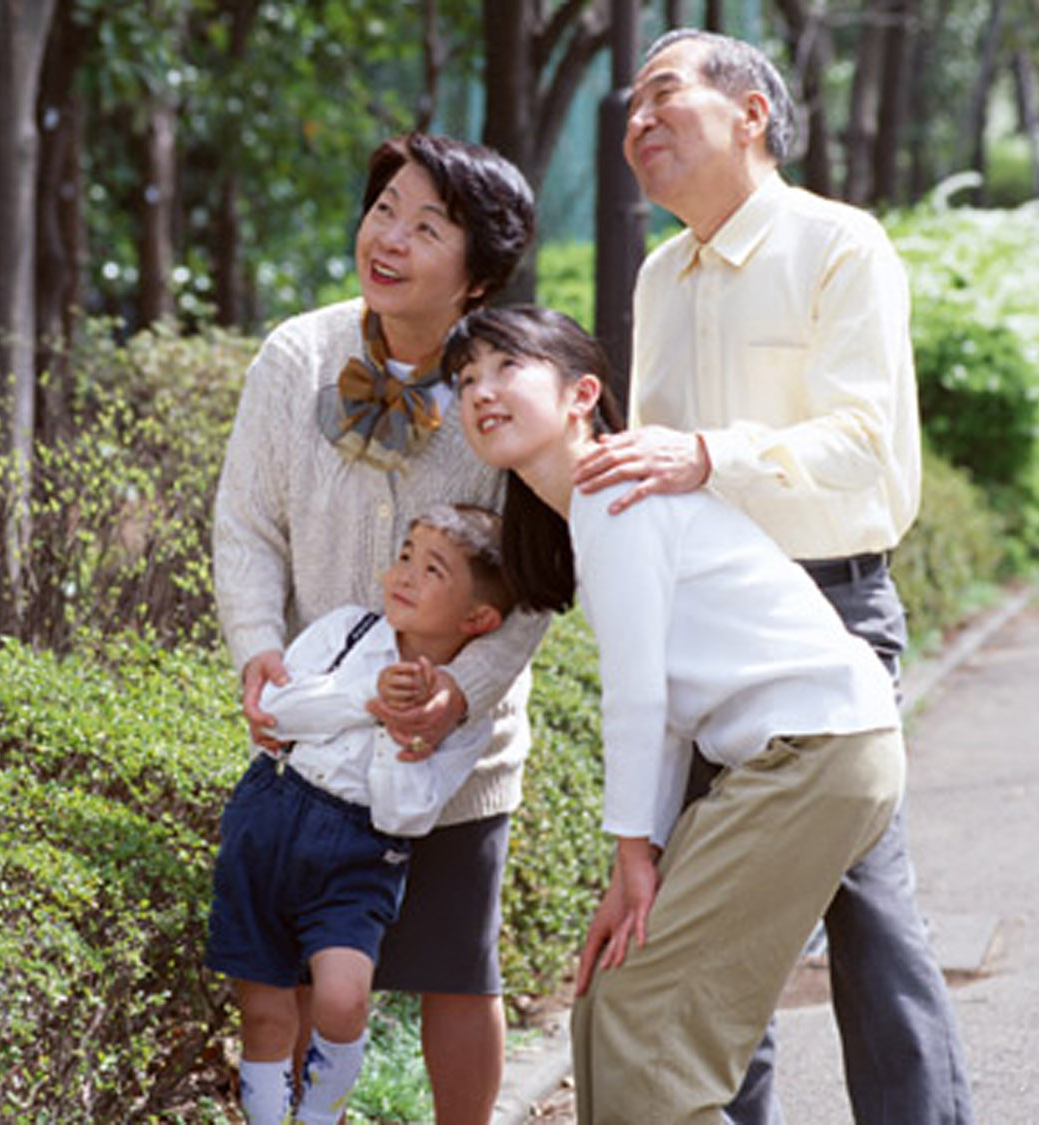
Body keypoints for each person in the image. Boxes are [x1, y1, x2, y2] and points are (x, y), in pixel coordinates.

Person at [573, 28, 974, 1124]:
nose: (635, 125)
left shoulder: (836, 245)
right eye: (626, 115)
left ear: (749, 112)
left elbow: (863, 443)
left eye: (662, 98)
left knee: (867, 914)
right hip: (711, 630)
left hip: (828, 617)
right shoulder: (661, 274)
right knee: (709, 923)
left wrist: (710, 454)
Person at [448, 303, 905, 1123]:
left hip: (814, 751)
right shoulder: (597, 509)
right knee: (608, 997)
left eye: (504, 366)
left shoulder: (615, 498)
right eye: (465, 377)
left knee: (645, 1022)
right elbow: (662, 715)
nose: (481, 390)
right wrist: (639, 861)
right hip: (800, 756)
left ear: (582, 392)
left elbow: (638, 696)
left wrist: (633, 856)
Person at [212, 131, 547, 1123]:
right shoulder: (297, 355)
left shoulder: (504, 387)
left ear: (479, 274)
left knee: (455, 969)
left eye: (426, 226)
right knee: (308, 973)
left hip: (449, 748)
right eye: (382, 210)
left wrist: (460, 694)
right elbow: (244, 522)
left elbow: (535, 583)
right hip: (317, 726)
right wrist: (256, 651)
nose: (388, 238)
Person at [207, 504, 514, 1124]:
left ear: (478, 617)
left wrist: (400, 732)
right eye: (406, 555)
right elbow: (278, 711)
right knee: (265, 1014)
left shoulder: (463, 713)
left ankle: (321, 1117)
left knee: (343, 999)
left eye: (433, 570)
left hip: (360, 852)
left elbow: (406, 814)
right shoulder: (346, 632)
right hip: (270, 821)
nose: (404, 574)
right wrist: (367, 700)